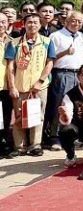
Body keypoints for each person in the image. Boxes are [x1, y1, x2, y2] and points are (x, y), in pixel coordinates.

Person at [4, 13, 56, 157]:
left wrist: (40, 81)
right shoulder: (14, 43)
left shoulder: (47, 41)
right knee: (19, 116)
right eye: (29, 22)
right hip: (20, 87)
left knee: (37, 115)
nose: (32, 25)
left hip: (40, 87)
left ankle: (35, 145)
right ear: (24, 24)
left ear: (40, 25)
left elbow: (50, 62)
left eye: (35, 22)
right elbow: (10, 67)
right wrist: (12, 87)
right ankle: (19, 146)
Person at [45, 12, 83, 151]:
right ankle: (55, 137)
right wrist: (65, 52)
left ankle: (71, 136)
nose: (76, 24)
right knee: (60, 105)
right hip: (62, 73)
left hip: (78, 74)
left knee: (76, 106)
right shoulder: (56, 36)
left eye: (80, 21)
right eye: (73, 20)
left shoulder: (81, 36)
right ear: (66, 21)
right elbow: (50, 58)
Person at [0, 13, 13, 156]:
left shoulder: (12, 41)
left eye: (3, 22)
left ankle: (3, 144)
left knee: (5, 117)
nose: (1, 25)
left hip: (7, 85)